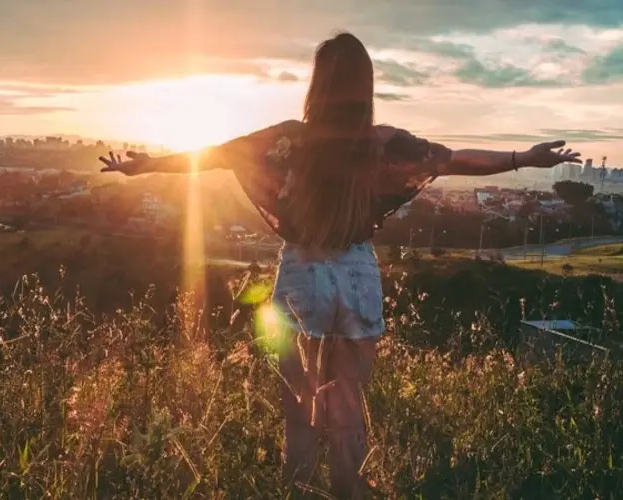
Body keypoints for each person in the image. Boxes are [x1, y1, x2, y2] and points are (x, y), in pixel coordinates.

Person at [99, 32, 581, 499]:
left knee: (300, 413)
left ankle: (304, 494)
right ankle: (350, 492)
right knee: (349, 408)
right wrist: (524, 157)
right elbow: (456, 160)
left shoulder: (287, 140)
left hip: (303, 275)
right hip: (357, 275)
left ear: (317, 84)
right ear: (365, 85)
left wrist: (145, 165)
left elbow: (211, 156)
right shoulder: (384, 142)